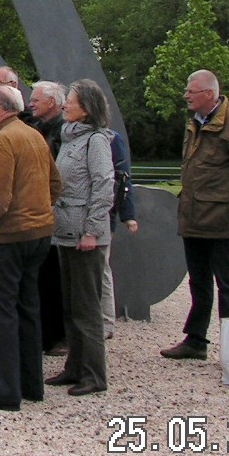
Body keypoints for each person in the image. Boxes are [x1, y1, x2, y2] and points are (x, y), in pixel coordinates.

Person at [0, 84, 62, 410]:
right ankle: (31, 384)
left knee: (2, 313)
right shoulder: (33, 135)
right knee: (27, 310)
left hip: (7, 239)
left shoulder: (3, 141)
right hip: (37, 236)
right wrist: (37, 212)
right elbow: (55, 185)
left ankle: (5, 389)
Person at [161, 70, 229, 361]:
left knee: (227, 284)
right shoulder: (194, 123)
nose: (186, 95)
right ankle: (196, 341)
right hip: (194, 217)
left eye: (191, 91)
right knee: (199, 282)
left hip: (221, 220)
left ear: (209, 94)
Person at [45, 79, 114, 396]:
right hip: (65, 232)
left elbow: (103, 187)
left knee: (87, 307)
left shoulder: (96, 141)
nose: (64, 105)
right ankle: (74, 366)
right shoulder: (71, 139)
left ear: (85, 108)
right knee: (71, 305)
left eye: (69, 101)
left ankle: (94, 374)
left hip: (85, 235)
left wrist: (92, 230)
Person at [27, 80, 68, 354]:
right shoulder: (39, 129)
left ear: (52, 102)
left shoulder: (63, 132)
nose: (31, 104)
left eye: (36, 100)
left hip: (56, 211)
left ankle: (58, 336)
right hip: (43, 211)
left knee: (55, 278)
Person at [101, 130, 138, 339]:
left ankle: (106, 321)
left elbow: (123, 178)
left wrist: (128, 215)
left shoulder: (112, 139)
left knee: (102, 268)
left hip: (104, 214)